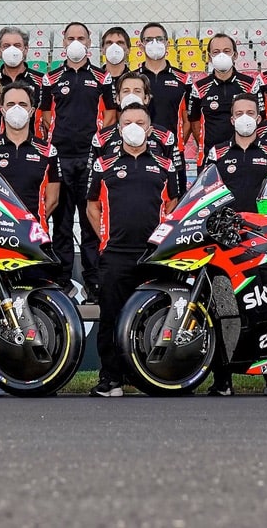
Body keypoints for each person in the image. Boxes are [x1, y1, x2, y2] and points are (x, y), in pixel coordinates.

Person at [86, 103, 181, 398]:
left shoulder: (165, 165)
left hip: (154, 256)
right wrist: (105, 237)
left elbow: (173, 204)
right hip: (115, 254)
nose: (134, 127)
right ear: (119, 128)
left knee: (156, 316)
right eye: (128, 122)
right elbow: (92, 207)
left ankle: (154, 376)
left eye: (140, 122)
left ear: (150, 129)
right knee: (111, 318)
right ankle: (111, 379)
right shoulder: (104, 164)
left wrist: (161, 239)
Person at [200, 93, 267, 395]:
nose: (245, 117)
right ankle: (222, 380)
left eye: (251, 111)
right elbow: (203, 193)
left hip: (265, 242)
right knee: (223, 312)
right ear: (232, 118)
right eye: (239, 112)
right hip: (224, 244)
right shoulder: (217, 152)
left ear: (259, 117)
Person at [41, 22, 118, 304]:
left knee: (89, 222)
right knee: (60, 223)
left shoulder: (102, 76)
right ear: (63, 42)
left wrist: (95, 144)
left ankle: (93, 282)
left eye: (81, 38)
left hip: (89, 158)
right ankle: (62, 281)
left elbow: (111, 115)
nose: (76, 42)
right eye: (71, 37)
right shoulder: (50, 78)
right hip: (60, 158)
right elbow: (45, 117)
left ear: (89, 43)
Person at [0, 83, 61, 231]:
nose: (16, 109)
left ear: (31, 111)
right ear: (2, 109)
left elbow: (52, 200)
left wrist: (30, 224)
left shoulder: (48, 151)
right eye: (10, 104)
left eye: (22, 104)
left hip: (34, 233)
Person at [188, 33, 261, 154]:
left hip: (245, 153)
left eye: (226, 51)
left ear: (235, 55)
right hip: (211, 153)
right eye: (216, 52)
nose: (221, 55)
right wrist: (205, 146)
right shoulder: (198, 88)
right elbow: (194, 122)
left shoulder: (251, 85)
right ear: (209, 57)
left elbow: (261, 118)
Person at [136, 22, 192, 144]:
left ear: (167, 44)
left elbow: (189, 120)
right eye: (148, 40)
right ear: (141, 46)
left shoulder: (184, 79)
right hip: (139, 148)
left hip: (172, 149)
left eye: (159, 39)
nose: (154, 43)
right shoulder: (132, 79)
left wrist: (176, 145)